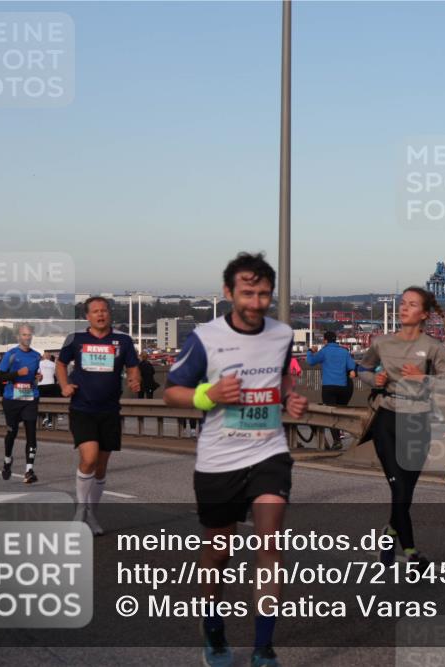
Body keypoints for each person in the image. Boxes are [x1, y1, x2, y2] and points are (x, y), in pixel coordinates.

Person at [164, 252, 308, 667]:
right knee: (218, 551)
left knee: (270, 543)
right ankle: (213, 626)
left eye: (264, 293)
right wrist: (206, 395)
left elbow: (280, 379)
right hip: (218, 459)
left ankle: (264, 646)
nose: (257, 302)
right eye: (248, 293)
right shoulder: (205, 337)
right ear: (229, 292)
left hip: (269, 452)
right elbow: (171, 391)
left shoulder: (282, 334)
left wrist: (288, 398)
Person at [357, 286, 445, 567]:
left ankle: (389, 534)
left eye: (411, 305)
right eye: (402, 303)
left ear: (423, 314)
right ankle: (411, 553)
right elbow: (362, 368)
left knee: (406, 490)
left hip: (418, 420)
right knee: (398, 488)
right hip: (387, 417)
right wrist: (371, 380)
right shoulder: (382, 342)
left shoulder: (434, 347)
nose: (403, 308)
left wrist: (424, 377)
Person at [57, 297, 141, 536]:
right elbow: (61, 364)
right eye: (95, 311)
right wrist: (64, 386)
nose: (100, 315)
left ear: (109, 314)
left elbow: (132, 366)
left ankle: (91, 514)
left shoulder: (123, 341)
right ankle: (80, 511)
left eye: (104, 310)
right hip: (83, 408)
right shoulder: (75, 339)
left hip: (110, 409)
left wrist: (136, 379)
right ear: (87, 316)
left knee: (101, 466)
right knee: (90, 457)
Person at [0, 325, 42, 484]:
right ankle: (7, 460)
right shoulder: (10, 354)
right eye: (24, 335)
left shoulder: (37, 356)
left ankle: (29, 470)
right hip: (11, 399)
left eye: (29, 335)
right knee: (12, 433)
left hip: (30, 397)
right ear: (18, 337)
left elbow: (34, 374)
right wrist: (16, 374)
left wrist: (38, 376)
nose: (27, 338)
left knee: (31, 433)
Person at [305, 331, 355, 450]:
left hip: (329, 387)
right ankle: (343, 433)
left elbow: (311, 361)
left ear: (325, 340)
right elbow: (352, 367)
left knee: (331, 414)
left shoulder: (324, 351)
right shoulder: (344, 351)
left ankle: (337, 441)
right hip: (344, 387)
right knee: (341, 413)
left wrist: (310, 351)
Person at [38, 353, 61, 428]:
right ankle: (50, 421)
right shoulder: (53, 364)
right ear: (50, 357)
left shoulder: (39, 363)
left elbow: (38, 373)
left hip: (41, 385)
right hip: (51, 384)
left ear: (43, 357)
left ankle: (44, 418)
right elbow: (57, 375)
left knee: (41, 403)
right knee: (51, 403)